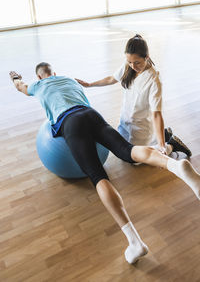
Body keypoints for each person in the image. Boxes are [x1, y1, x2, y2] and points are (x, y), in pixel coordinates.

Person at [9, 63, 200, 265]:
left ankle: (135, 242)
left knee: (97, 176)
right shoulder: (69, 79)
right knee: (127, 151)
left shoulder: (39, 85)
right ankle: (175, 165)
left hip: (71, 123)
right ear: (54, 73)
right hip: (92, 115)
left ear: (40, 78)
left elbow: (21, 87)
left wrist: (15, 79)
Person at [76, 34, 191, 158]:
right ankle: (165, 133)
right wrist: (90, 84)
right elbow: (112, 79)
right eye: (129, 62)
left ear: (147, 57)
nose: (133, 66)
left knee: (137, 159)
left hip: (141, 126)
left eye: (137, 62)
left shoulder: (154, 79)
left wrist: (162, 145)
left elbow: (156, 113)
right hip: (125, 121)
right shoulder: (129, 66)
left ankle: (171, 144)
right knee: (122, 150)